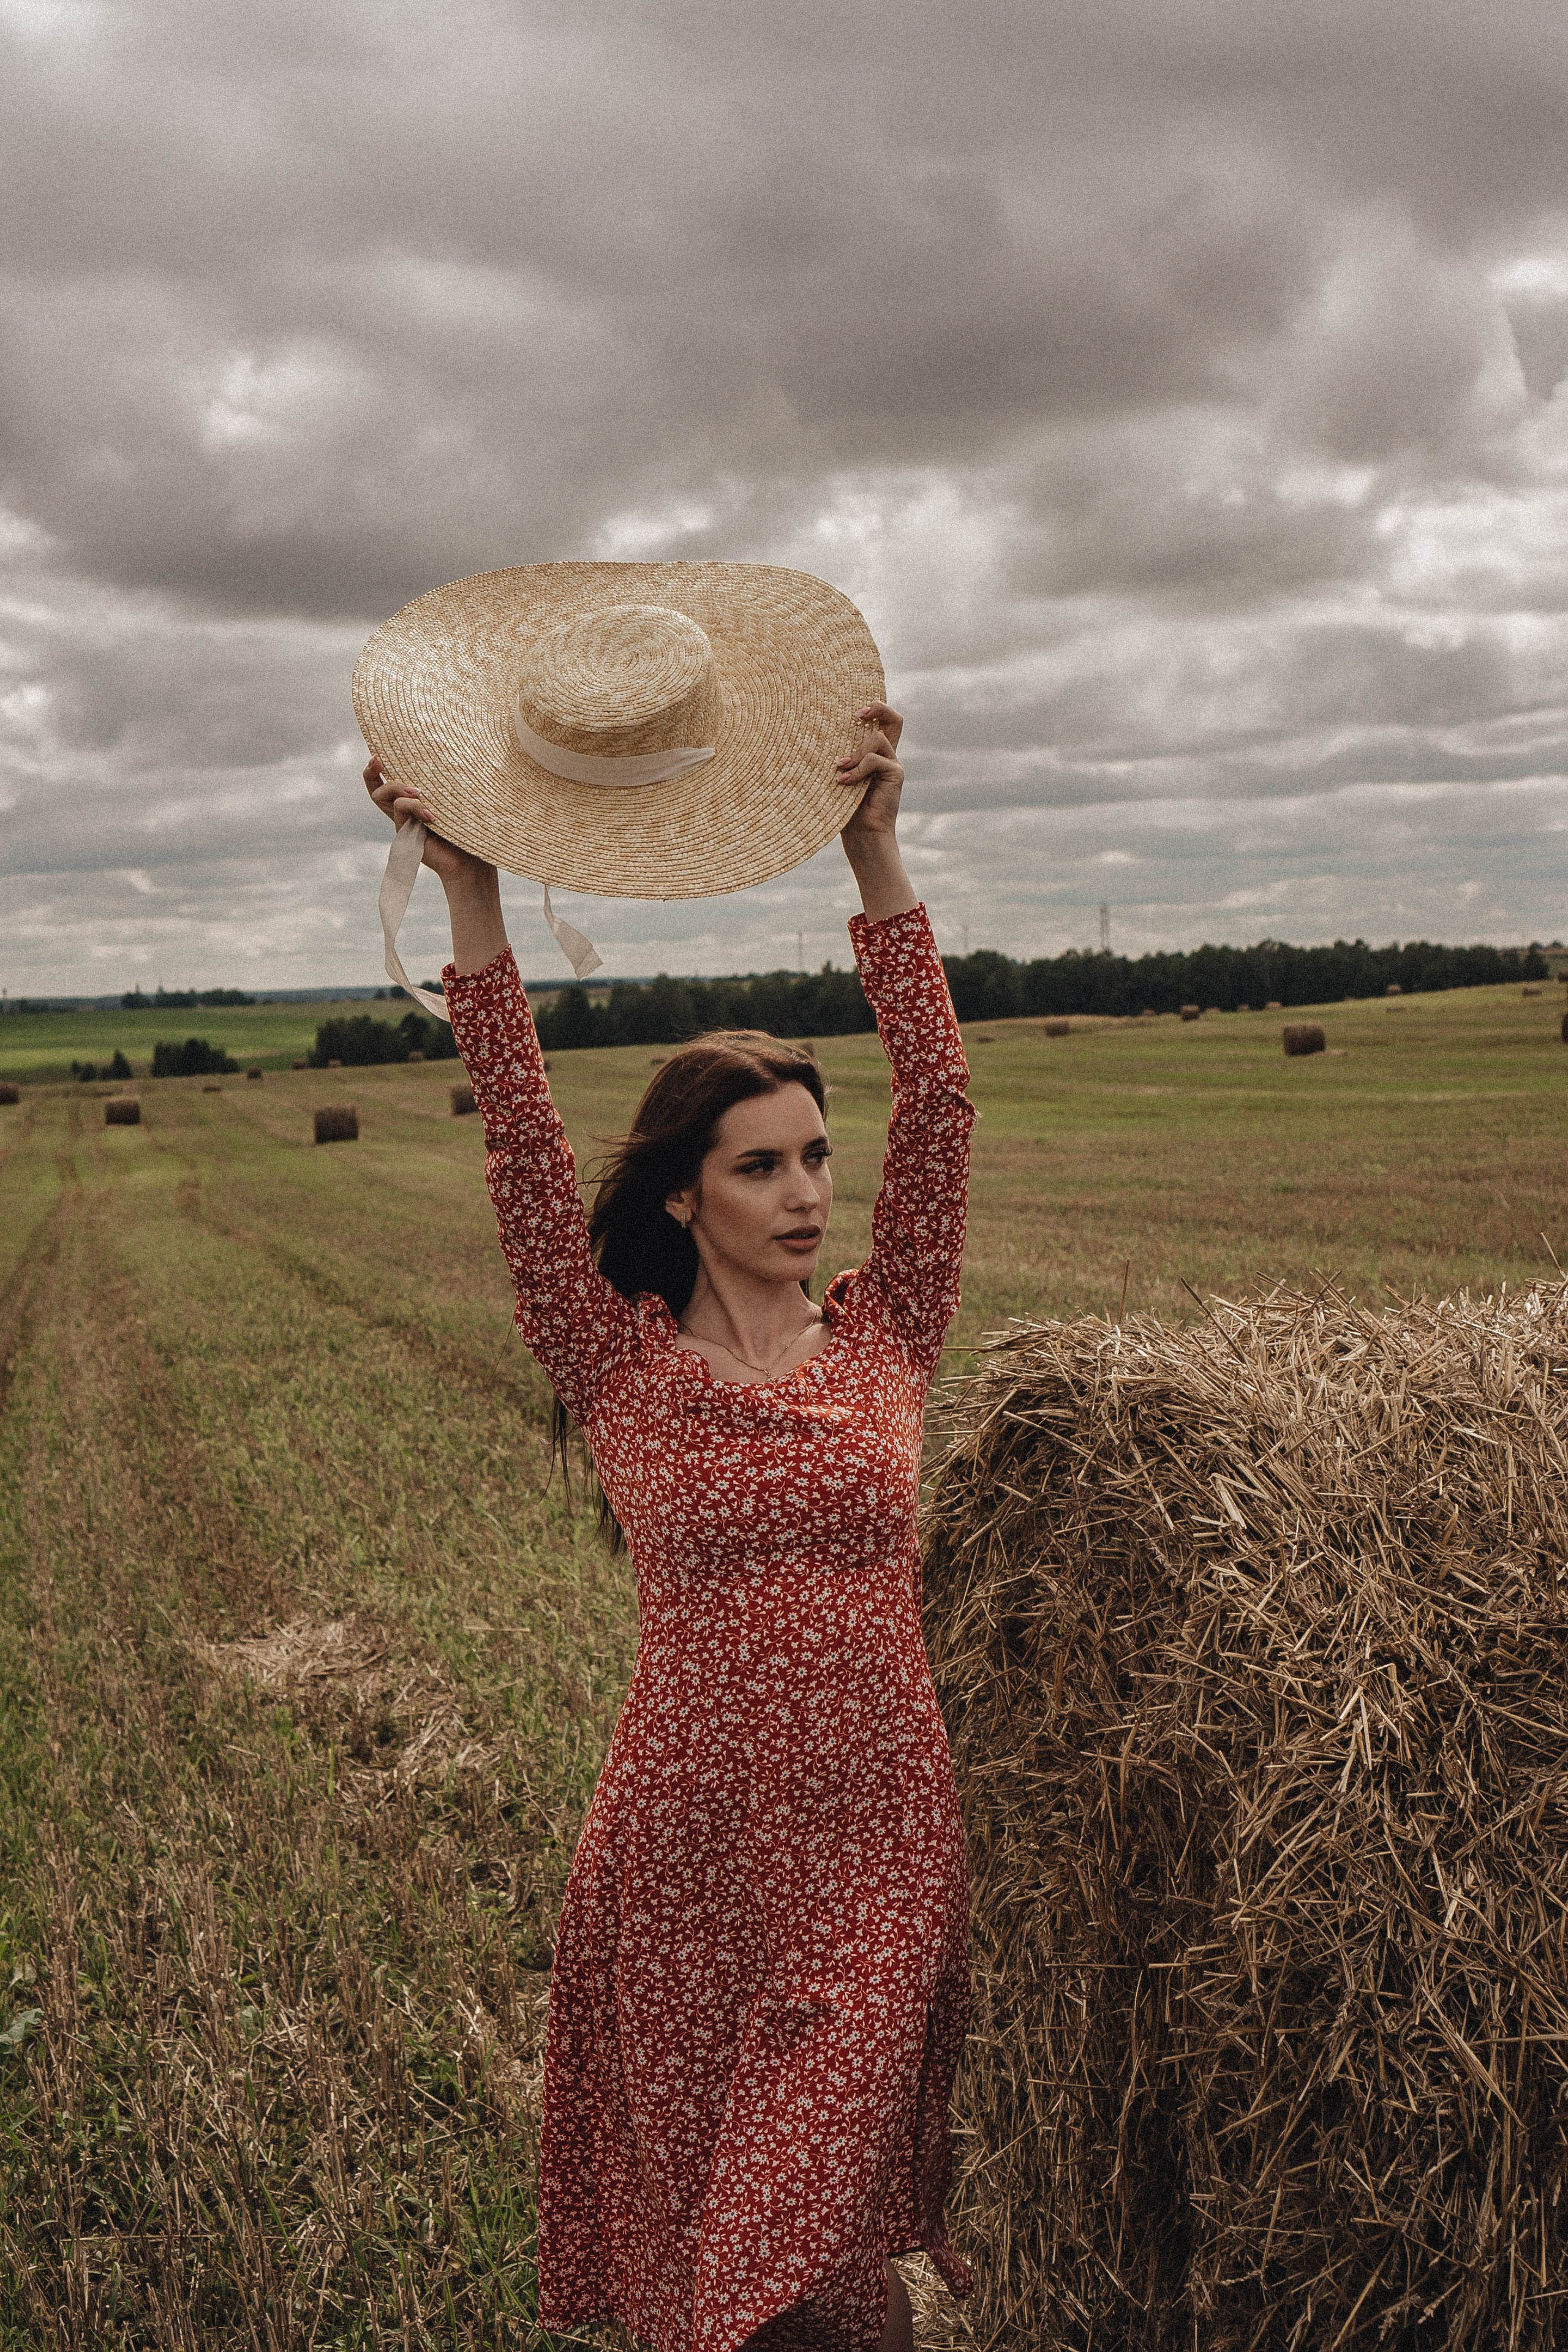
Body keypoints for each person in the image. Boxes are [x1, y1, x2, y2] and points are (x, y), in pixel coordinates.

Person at [363, 700, 974, 2352]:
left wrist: (877, 855)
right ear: (685, 1193)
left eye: (818, 1159)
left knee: (779, 2233)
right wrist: (473, 893)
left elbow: (941, 1104)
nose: (809, 1192)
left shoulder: (890, 1332)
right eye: (763, 1166)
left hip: (878, 1839)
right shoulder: (616, 1361)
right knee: (761, 2266)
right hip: (686, 1846)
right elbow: (520, 1133)